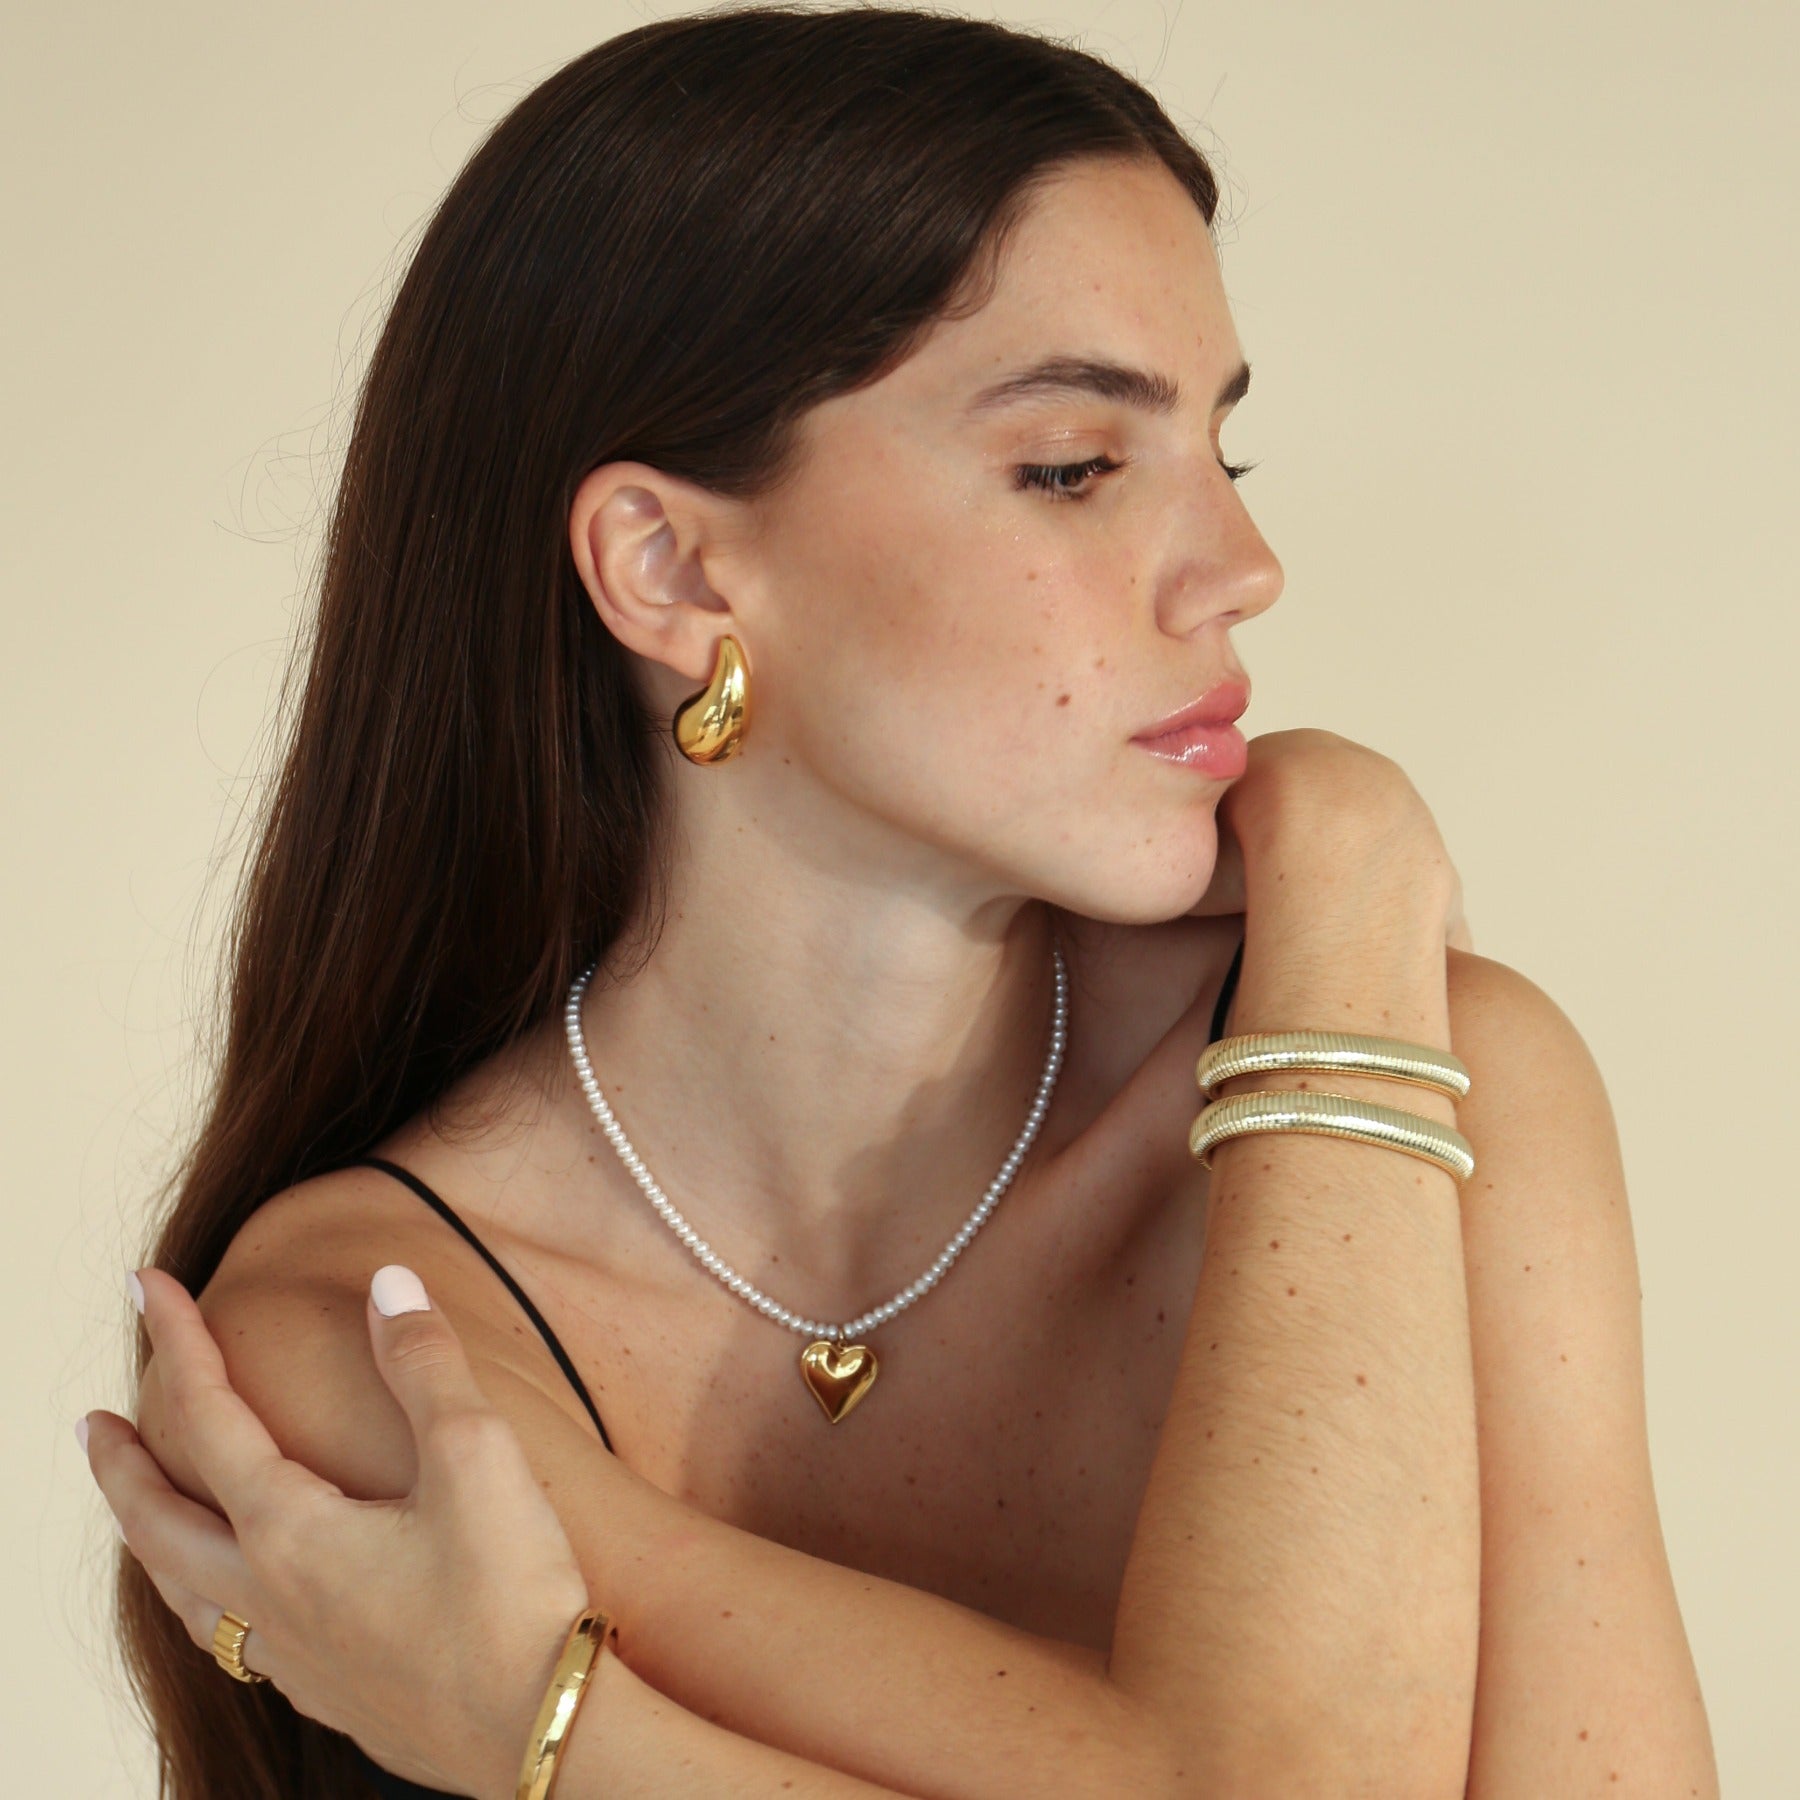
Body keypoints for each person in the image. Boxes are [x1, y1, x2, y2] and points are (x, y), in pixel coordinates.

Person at [80, 7, 1719, 1798]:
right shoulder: (369, 1336)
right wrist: (1348, 842)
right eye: (1075, 465)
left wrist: (579, 1744)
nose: (1245, 570)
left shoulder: (1438, 1074)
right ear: (672, 567)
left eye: (1223, 455)